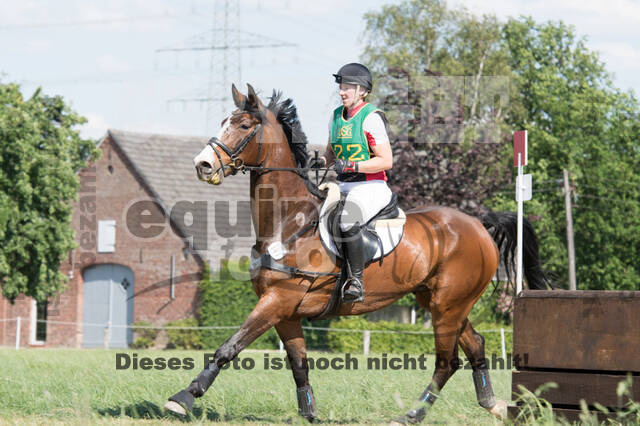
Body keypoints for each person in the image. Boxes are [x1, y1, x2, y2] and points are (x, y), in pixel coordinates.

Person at [309, 63, 394, 303]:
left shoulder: (371, 118)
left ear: (362, 91)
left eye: (347, 87)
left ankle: (356, 281)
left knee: (347, 221)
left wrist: (352, 166)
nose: (341, 92)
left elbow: (386, 161)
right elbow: (331, 153)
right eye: (341, 87)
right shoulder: (336, 116)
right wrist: (320, 161)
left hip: (371, 187)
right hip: (343, 186)